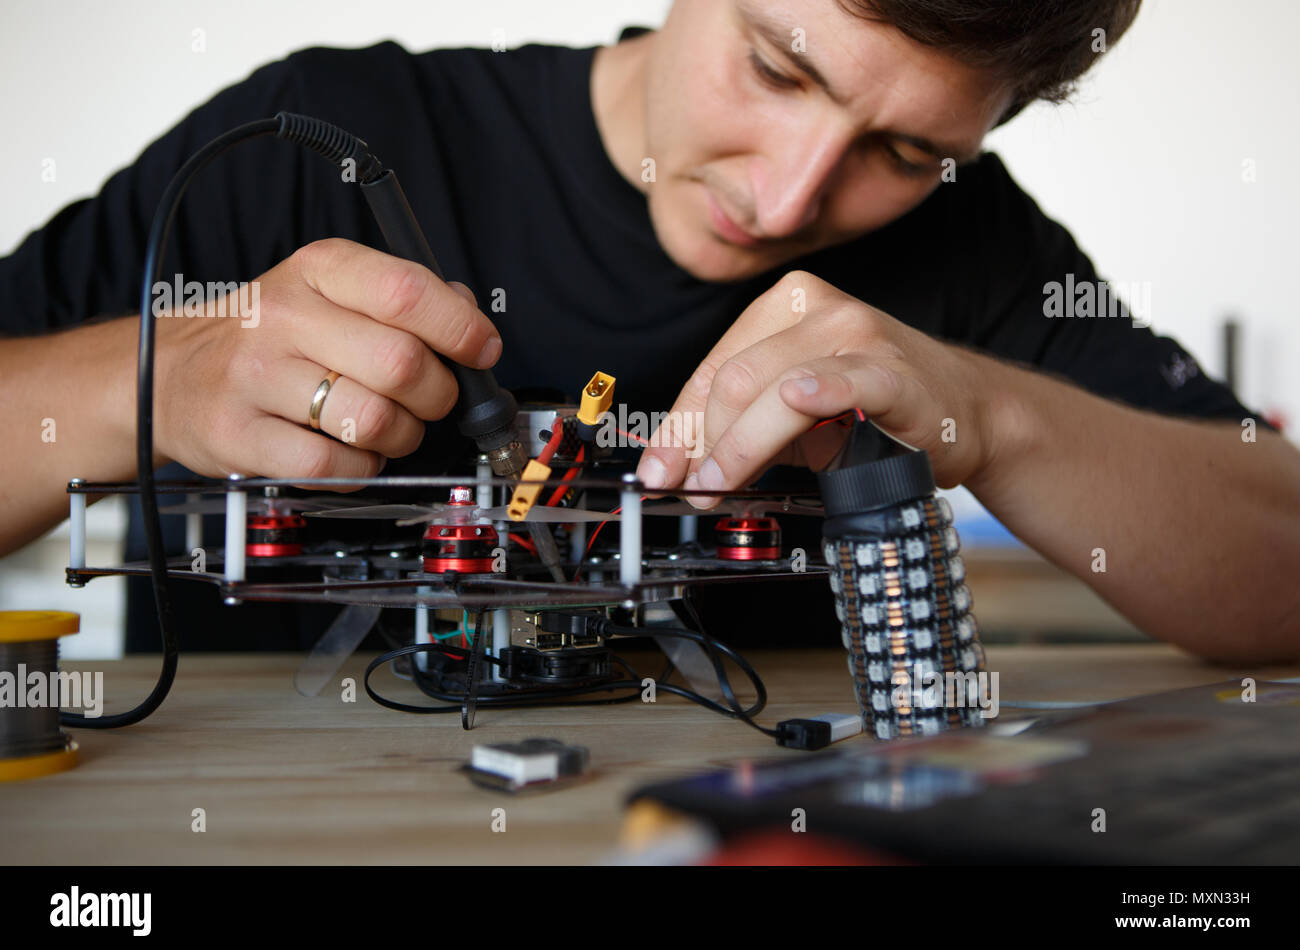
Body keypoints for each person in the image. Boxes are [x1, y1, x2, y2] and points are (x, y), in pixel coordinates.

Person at [2, 1, 1297, 661]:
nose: (786, 198)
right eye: (778, 68)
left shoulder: (977, 246)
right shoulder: (315, 141)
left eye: (905, 152)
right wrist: (148, 379)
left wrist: (992, 413)